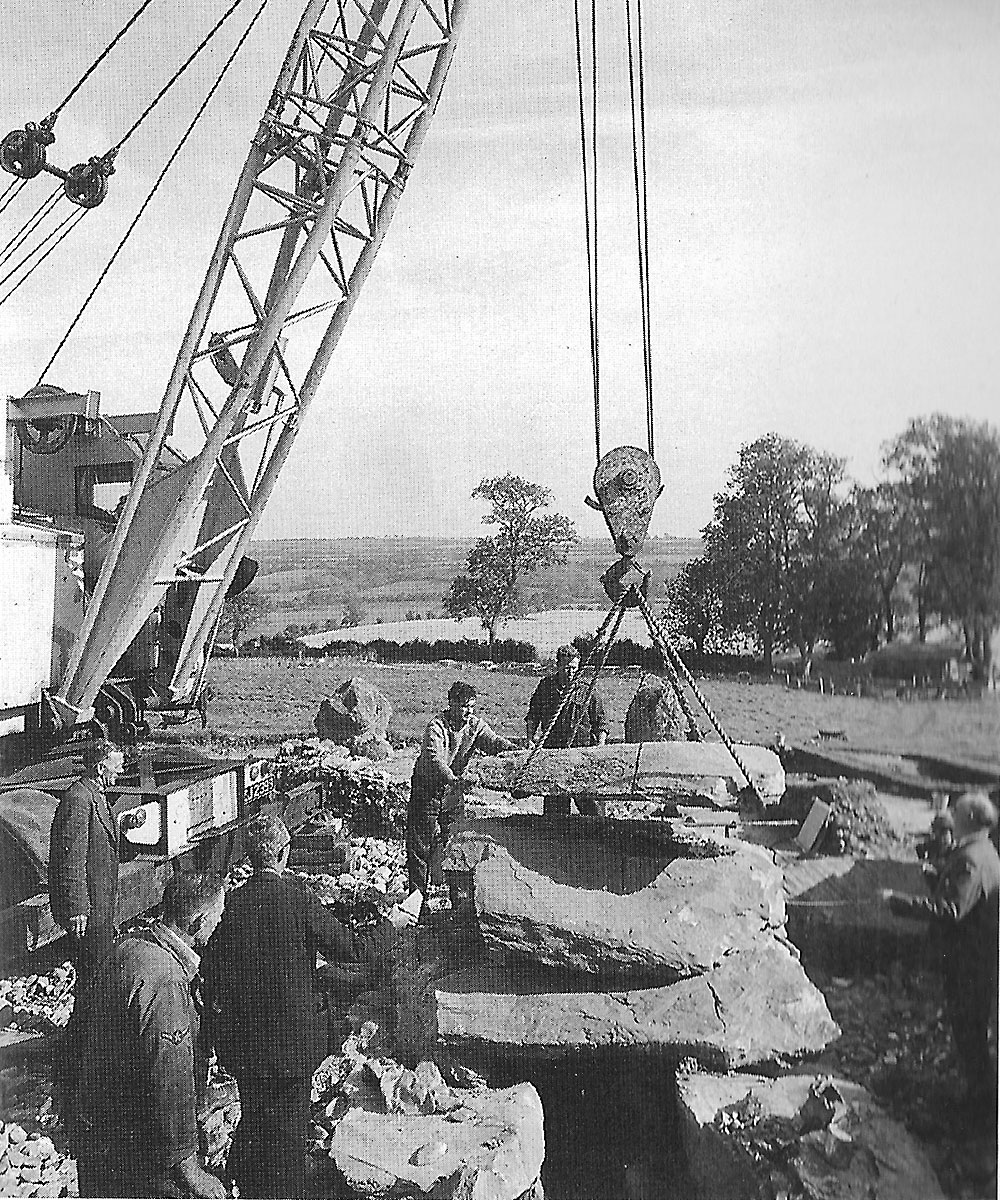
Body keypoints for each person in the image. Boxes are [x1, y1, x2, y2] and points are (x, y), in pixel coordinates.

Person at [201, 813, 406, 1199]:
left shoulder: (230, 905)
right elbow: (352, 949)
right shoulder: (297, 898)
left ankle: (246, 1185)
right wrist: (390, 924)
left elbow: (211, 972)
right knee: (288, 1138)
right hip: (292, 1049)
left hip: (244, 1048)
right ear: (283, 853)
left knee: (256, 1118)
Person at [73, 869, 227, 1199]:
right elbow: (169, 1077)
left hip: (98, 1136)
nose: (219, 925)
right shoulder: (168, 983)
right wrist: (189, 1169)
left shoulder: (128, 947)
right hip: (139, 1154)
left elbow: (80, 1027)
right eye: (217, 916)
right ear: (198, 922)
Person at [885, 791, 1000, 1120]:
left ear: (967, 821)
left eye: (957, 814)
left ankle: (979, 1103)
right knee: (972, 1029)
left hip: (968, 962)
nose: (952, 817)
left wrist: (897, 901)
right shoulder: (985, 852)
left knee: (968, 1030)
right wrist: (935, 877)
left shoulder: (969, 860)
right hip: (980, 957)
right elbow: (967, 896)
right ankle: (978, 1095)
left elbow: (950, 910)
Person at [407, 681, 515, 894]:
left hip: (452, 792)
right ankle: (417, 900)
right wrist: (453, 778)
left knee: (456, 843)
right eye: (464, 706)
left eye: (472, 706)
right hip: (427, 790)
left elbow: (492, 741)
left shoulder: (474, 725)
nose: (468, 711)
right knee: (420, 847)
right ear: (452, 703)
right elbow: (433, 758)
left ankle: (458, 900)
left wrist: (509, 749)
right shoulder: (436, 726)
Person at [48, 737, 125, 1005]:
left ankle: (86, 1035)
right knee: (92, 975)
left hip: (101, 906)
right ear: (101, 767)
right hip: (90, 909)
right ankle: (83, 1039)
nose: (122, 771)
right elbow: (70, 859)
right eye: (118, 765)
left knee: (96, 974)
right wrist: (77, 907)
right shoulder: (79, 799)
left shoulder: (96, 796)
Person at [526, 644, 608, 816]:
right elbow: (533, 716)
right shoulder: (545, 688)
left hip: (582, 757)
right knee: (555, 811)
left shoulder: (588, 690)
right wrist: (530, 738)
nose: (570, 672)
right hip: (554, 755)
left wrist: (600, 747)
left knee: (592, 807)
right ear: (557, 665)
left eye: (574, 668)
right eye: (566, 668)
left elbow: (600, 723)